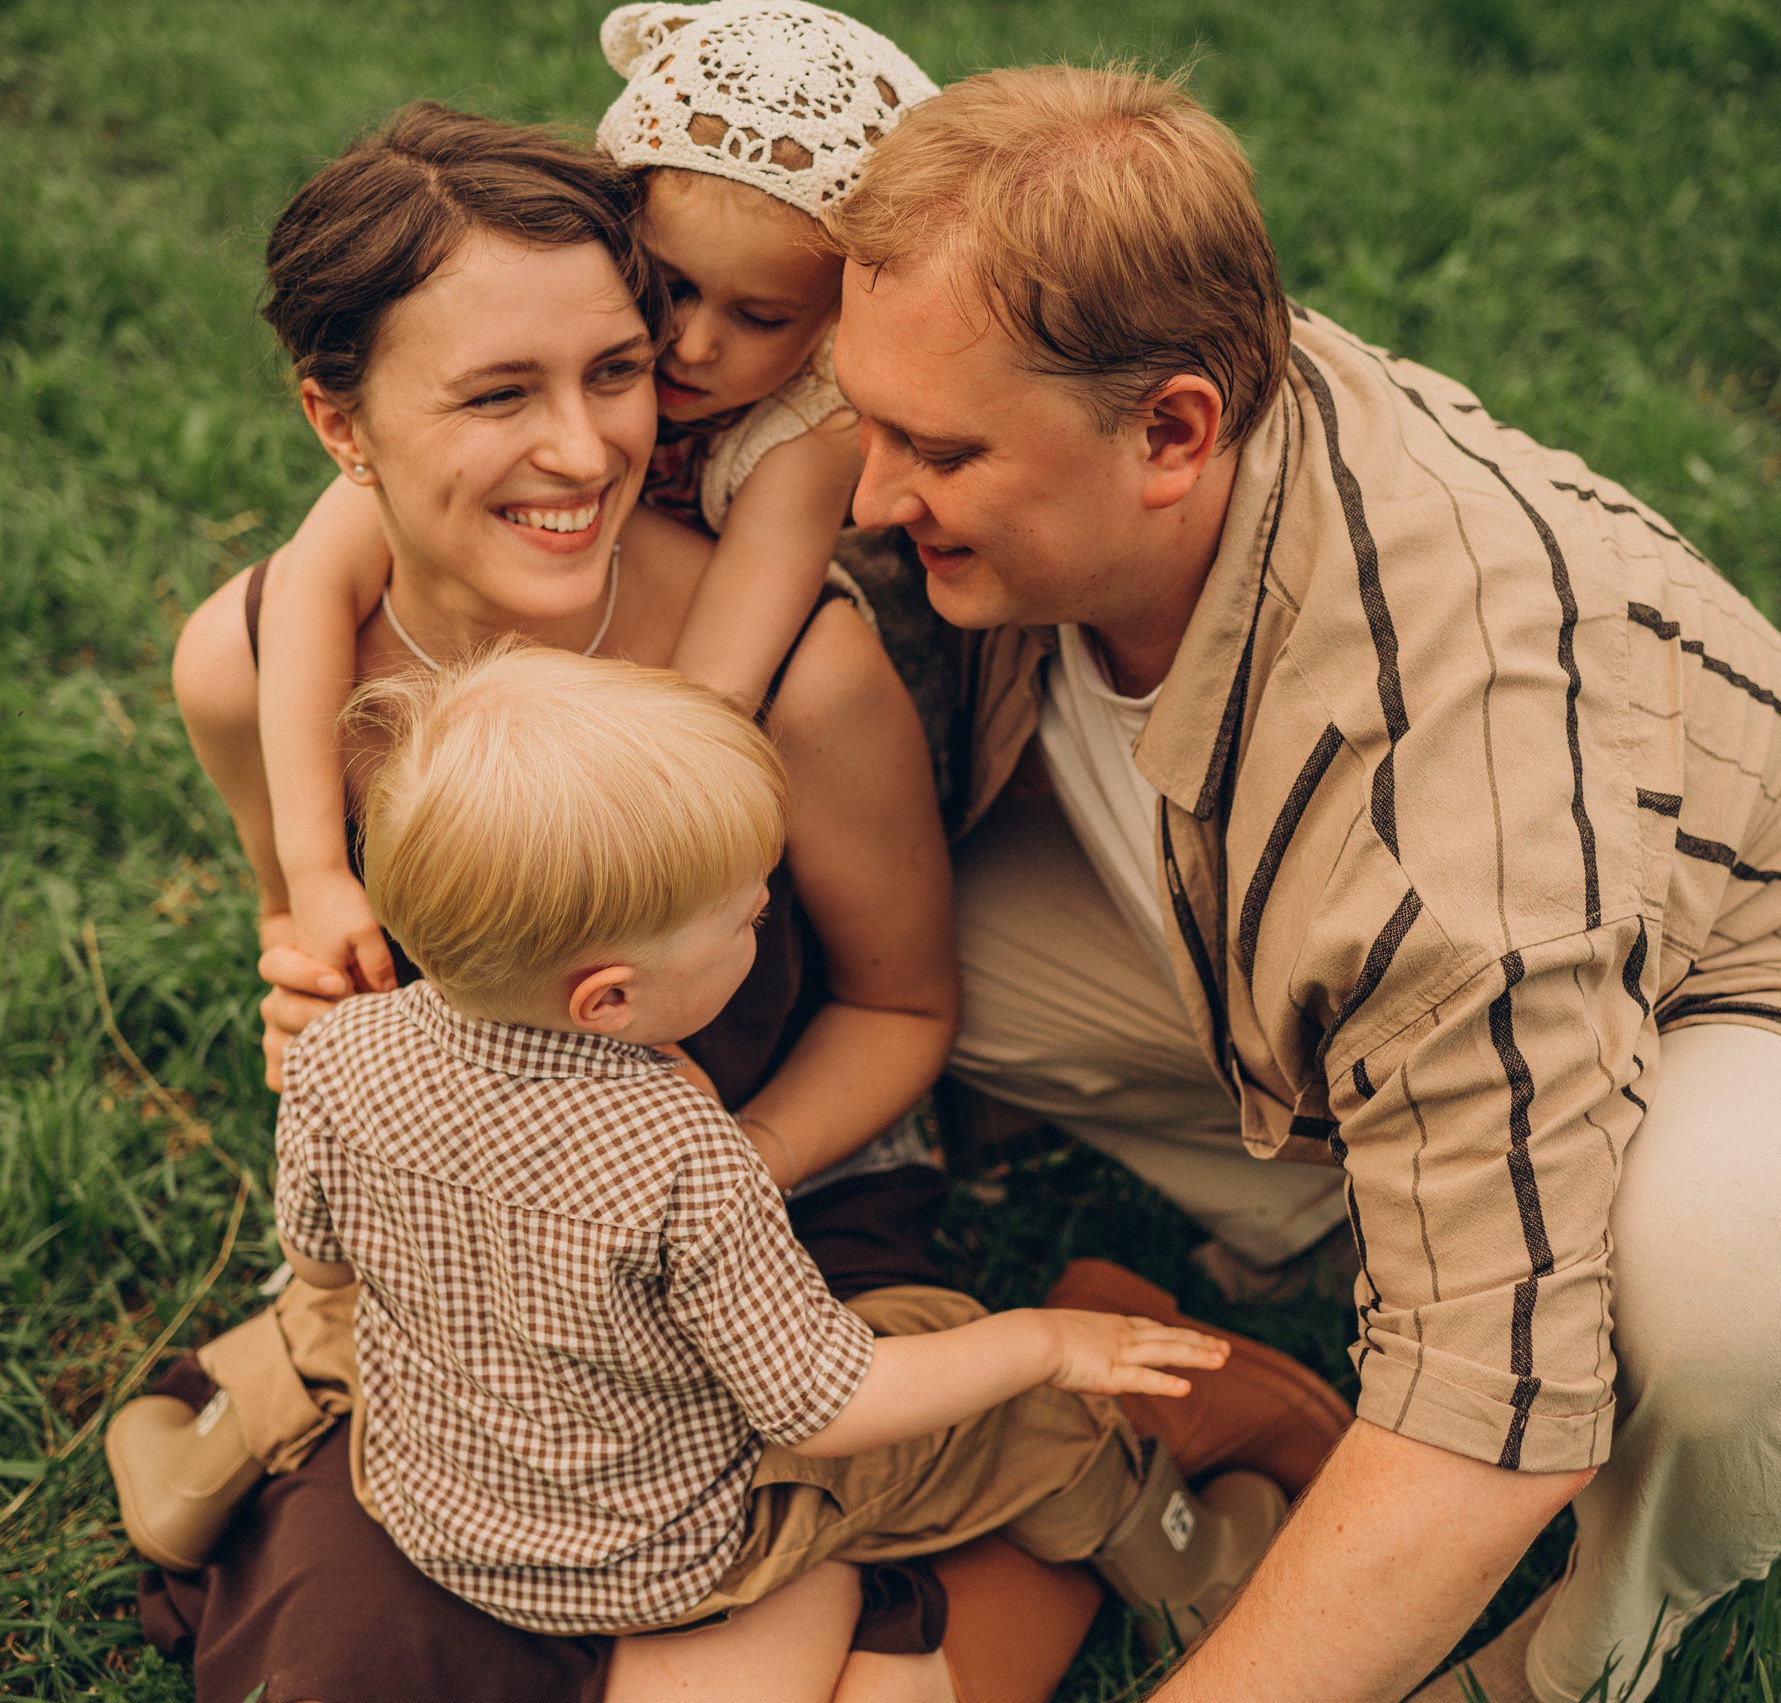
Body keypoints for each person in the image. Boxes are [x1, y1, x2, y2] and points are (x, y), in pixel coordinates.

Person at [145, 98, 1348, 1703]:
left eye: (618, 370)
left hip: (778, 1205)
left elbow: (906, 1008)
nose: (584, 449)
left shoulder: (796, 669)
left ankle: (1096, 1420)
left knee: (824, 1645)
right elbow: (331, 978)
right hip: (481, 1269)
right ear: (338, 421)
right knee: (350, 1665)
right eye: (500, 393)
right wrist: (318, 991)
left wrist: (682, 1190)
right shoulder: (261, 672)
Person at [822, 65, 1781, 1703]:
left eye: (932, 450)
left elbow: (1487, 1414)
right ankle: (1368, 1215)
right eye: (857, 416)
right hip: (1318, 916)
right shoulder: (1077, 384)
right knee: (896, 959)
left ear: (1173, 431)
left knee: (1719, 1298)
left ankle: (1577, 1639)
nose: (867, 493)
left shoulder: (1450, 772)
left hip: (1739, 982)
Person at [252, 639, 1278, 1682]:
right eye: (745, 916)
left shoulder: (337, 1051)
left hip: (437, 1509)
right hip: (665, 1552)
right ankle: (1186, 1561)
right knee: (1013, 1411)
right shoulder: (682, 1153)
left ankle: (240, 1418)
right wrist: (1044, 1340)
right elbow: (825, 1408)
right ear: (606, 998)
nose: (761, 918)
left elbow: (325, 1267)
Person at [245, 0, 936, 1002]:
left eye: (760, 315)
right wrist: (308, 878)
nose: (692, 347)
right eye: (666, 288)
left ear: (831, 320)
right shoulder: (568, 336)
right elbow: (310, 582)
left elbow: (710, 698)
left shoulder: (808, 435)